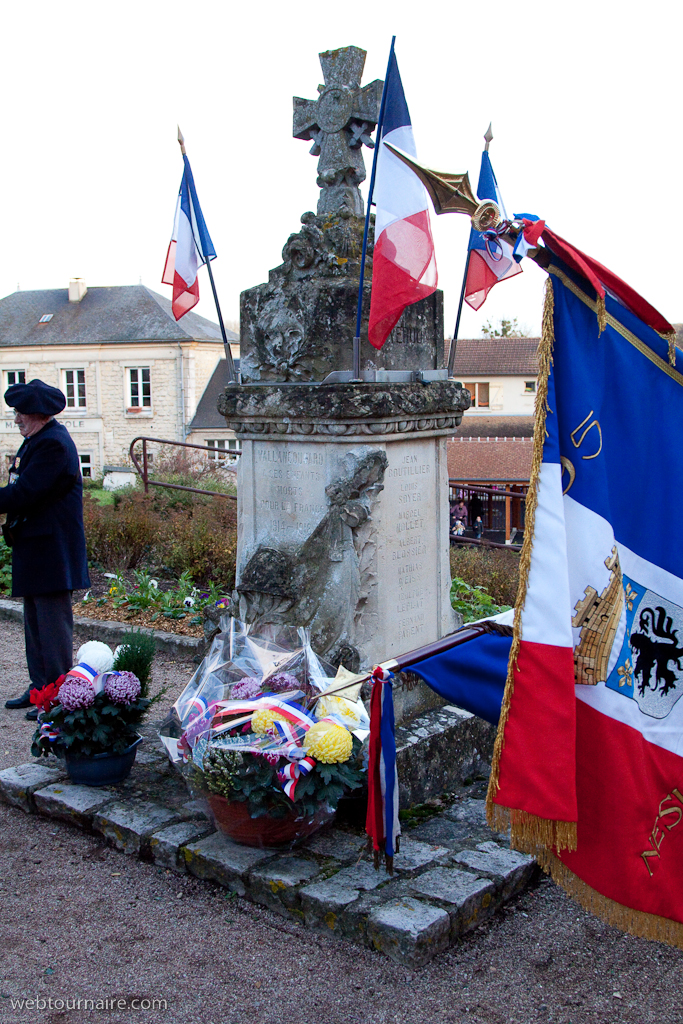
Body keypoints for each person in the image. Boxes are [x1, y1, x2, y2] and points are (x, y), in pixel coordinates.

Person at [1, 380, 90, 719]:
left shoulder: (53, 444)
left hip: (53, 550)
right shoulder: (38, 439)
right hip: (37, 546)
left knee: (52, 628)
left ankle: (56, 697)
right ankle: (40, 689)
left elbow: (25, 492)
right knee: (35, 623)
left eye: (21, 413)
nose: (16, 419)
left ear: (38, 414)